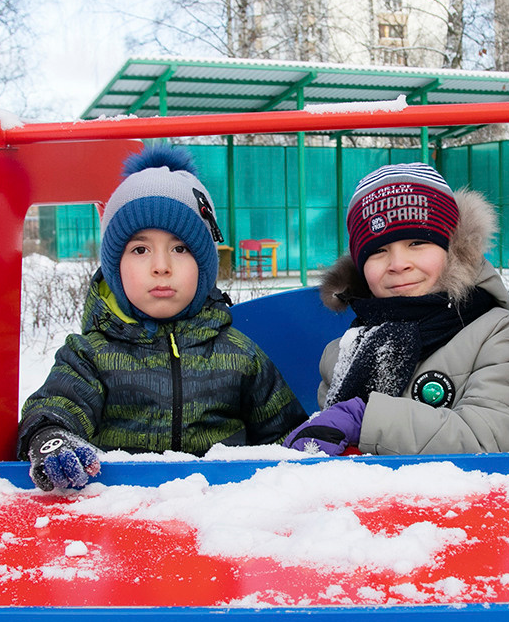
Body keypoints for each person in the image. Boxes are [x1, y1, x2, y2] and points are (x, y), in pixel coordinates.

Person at [18, 145, 307, 490]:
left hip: (220, 507)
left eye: (180, 248)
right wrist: (51, 437)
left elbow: (286, 435)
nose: (161, 266)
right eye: (140, 249)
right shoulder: (89, 356)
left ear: (204, 266)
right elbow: (57, 406)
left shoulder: (240, 355)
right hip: (122, 507)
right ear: (114, 268)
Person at [284, 162, 509, 456]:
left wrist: (367, 420)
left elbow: (497, 439)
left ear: (454, 249)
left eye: (417, 243)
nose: (398, 264)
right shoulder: (344, 352)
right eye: (378, 251)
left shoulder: (501, 335)